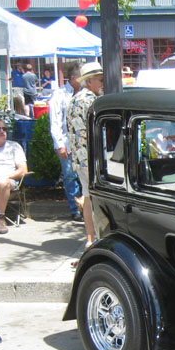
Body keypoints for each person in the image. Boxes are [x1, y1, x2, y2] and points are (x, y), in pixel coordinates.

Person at [67, 61, 103, 248]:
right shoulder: (91, 100)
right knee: (95, 198)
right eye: (99, 80)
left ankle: (90, 239)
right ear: (89, 82)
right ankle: (96, 238)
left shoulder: (73, 99)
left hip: (80, 159)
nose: (102, 83)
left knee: (88, 197)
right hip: (93, 158)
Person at [49, 63, 82, 222]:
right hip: (67, 143)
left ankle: (85, 206)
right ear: (73, 78)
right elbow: (55, 122)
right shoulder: (59, 95)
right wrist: (60, 145)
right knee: (70, 176)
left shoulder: (85, 93)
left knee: (84, 176)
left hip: (82, 143)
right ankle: (75, 208)